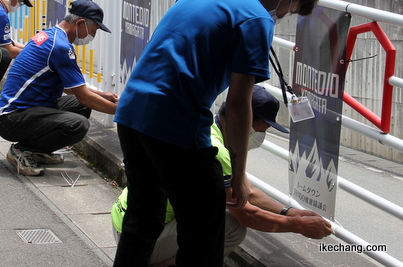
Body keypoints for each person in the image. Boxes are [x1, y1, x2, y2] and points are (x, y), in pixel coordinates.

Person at [112, 0, 320, 267]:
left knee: (144, 218)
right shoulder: (256, 18)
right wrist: (237, 175)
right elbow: (237, 106)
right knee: (204, 236)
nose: (283, 15)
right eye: (291, 9)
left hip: (132, 111)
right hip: (176, 124)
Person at [111, 86, 332, 267]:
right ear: (242, 119)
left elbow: (248, 191)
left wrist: (291, 212)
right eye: (260, 128)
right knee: (231, 226)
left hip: (130, 224)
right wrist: (297, 225)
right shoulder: (219, 151)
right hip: (145, 236)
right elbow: (246, 215)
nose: (260, 136)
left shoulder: (209, 127)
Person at [0, 0, 119, 177]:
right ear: (80, 23)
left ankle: (38, 150)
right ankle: (22, 150)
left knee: (80, 106)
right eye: (94, 30)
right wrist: (123, 112)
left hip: (22, 111)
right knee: (78, 124)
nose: (93, 36)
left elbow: (72, 89)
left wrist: (102, 95)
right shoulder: (60, 47)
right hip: (11, 119)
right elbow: (85, 96)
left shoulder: (50, 35)